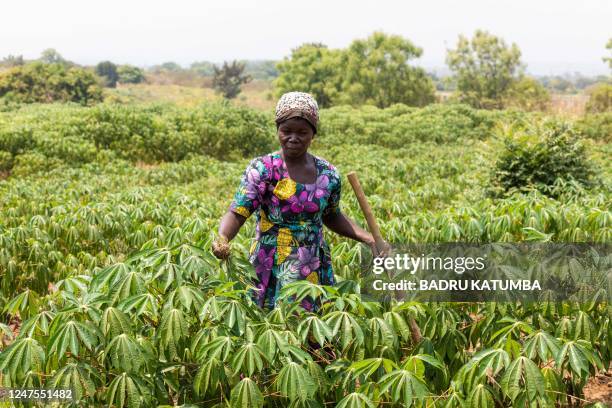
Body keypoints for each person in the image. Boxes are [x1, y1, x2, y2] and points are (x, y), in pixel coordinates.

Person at [212, 91, 388, 310]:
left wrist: (369, 238)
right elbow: (238, 212)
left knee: (312, 334)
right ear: (277, 130)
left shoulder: (328, 174)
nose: (293, 138)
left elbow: (332, 215)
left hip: (312, 263)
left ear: (313, 134)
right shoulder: (263, 169)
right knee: (271, 326)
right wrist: (223, 238)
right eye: (286, 131)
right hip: (270, 262)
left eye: (302, 132)